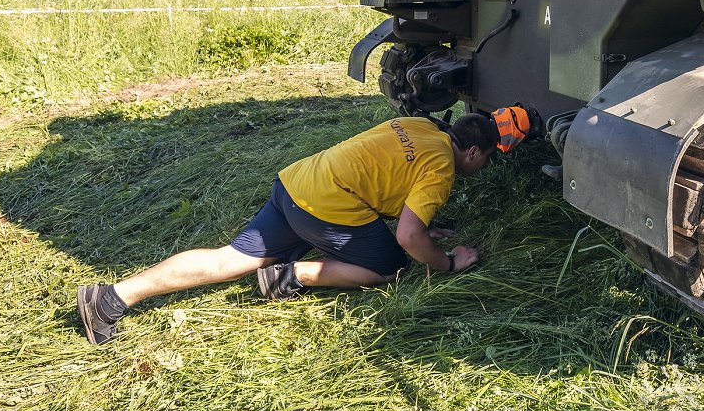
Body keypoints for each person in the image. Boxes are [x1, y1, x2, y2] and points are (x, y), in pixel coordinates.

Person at [77, 112, 501, 345]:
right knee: (395, 266)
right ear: (474, 152)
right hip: (326, 207)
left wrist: (425, 230)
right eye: (488, 160)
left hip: (297, 183)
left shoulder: (420, 126)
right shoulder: (443, 168)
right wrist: (447, 263)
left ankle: (113, 297)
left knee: (232, 257)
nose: (486, 168)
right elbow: (409, 239)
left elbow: (382, 173)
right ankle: (292, 275)